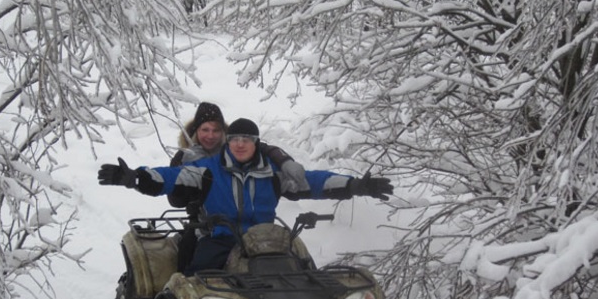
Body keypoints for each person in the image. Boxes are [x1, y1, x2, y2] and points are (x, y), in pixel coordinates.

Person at [98, 118, 392, 274]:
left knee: (302, 273)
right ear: (229, 142)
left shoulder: (274, 174)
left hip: (267, 241)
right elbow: (169, 177)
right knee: (197, 280)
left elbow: (314, 182)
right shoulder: (206, 170)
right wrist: (134, 177)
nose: (240, 144)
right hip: (219, 239)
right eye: (235, 139)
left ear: (256, 143)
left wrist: (356, 186)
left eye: (247, 140)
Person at [168, 103, 309, 269]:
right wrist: (189, 190)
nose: (210, 135)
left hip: (250, 225)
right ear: (195, 131)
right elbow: (175, 199)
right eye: (205, 130)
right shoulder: (186, 157)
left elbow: (260, 146)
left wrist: (284, 160)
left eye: (216, 130)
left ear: (224, 133)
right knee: (191, 258)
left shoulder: (235, 150)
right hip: (206, 224)